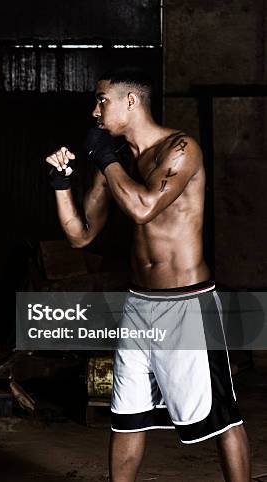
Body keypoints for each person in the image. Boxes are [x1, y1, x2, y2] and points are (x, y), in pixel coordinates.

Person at [45, 67, 250, 482]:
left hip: (187, 301)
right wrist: (61, 185)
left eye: (102, 100)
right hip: (139, 304)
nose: (95, 110)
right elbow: (81, 237)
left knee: (220, 414)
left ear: (131, 102)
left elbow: (143, 208)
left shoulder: (180, 149)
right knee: (127, 415)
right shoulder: (116, 165)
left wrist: (103, 159)